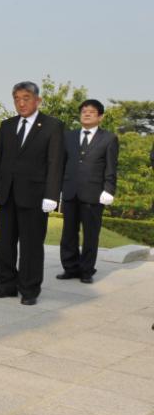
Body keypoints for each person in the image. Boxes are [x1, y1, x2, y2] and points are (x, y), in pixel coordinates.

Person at [0, 81, 64, 305]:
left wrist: (52, 195)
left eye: (26, 98)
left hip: (36, 195)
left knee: (31, 245)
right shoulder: (7, 125)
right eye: (17, 99)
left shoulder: (52, 125)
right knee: (6, 242)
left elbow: (55, 162)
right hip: (7, 193)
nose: (21, 103)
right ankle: (6, 285)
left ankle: (29, 290)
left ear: (37, 100)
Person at [57, 99, 118, 284]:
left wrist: (109, 189)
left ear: (100, 116)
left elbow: (111, 167)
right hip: (70, 191)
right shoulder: (68, 136)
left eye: (92, 111)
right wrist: (56, 189)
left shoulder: (109, 138)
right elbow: (61, 164)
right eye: (84, 111)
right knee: (68, 233)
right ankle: (70, 267)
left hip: (94, 193)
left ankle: (86, 271)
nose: (87, 114)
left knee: (91, 234)